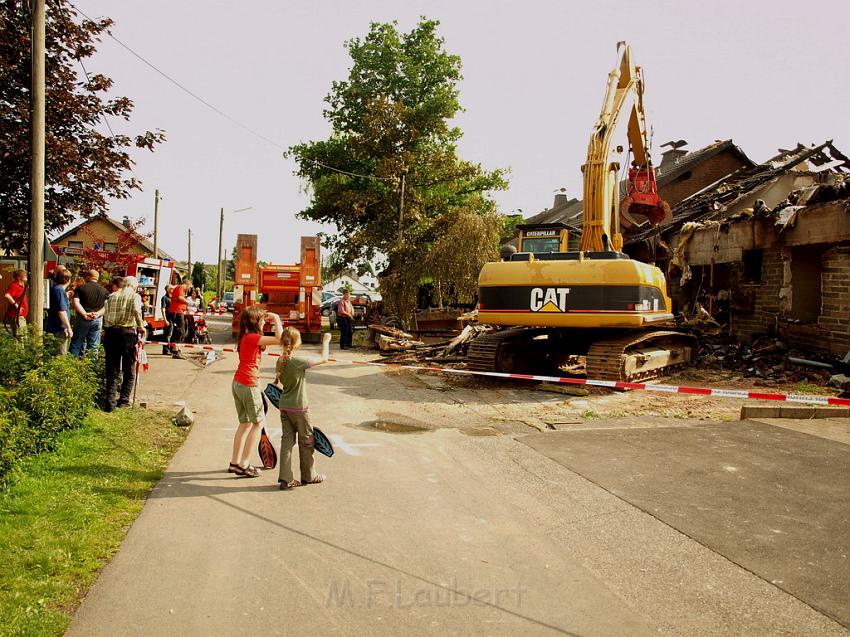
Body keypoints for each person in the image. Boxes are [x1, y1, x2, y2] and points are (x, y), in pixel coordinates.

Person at [228, 306, 283, 478]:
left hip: (239, 382)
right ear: (254, 322)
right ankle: (244, 464)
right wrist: (277, 320)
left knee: (245, 424)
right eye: (261, 320)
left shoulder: (245, 337)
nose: (263, 323)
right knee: (258, 424)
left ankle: (235, 463)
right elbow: (280, 339)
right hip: (248, 383)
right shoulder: (252, 337)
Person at [274, 327, 332, 490]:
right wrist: (326, 341)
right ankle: (309, 475)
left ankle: (285, 479)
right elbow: (324, 359)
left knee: (287, 442)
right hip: (300, 408)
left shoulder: (280, 360)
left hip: (284, 406)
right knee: (307, 441)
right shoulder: (297, 361)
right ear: (296, 342)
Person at [102, 276, 145, 411]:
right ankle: (124, 400)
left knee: (112, 369)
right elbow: (137, 311)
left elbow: (106, 314)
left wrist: (106, 328)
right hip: (127, 333)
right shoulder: (134, 296)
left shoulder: (112, 295)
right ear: (134, 286)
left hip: (110, 332)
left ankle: (110, 403)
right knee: (129, 369)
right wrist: (141, 326)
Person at [69, 269, 108, 357]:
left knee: (77, 343)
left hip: (82, 319)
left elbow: (76, 302)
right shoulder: (104, 291)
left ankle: (71, 365)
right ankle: (92, 367)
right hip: (97, 319)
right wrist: (97, 314)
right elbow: (106, 307)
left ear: (88, 277)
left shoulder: (80, 288)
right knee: (93, 346)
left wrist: (84, 314)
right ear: (97, 278)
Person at [45, 270, 73, 354]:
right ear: (69, 280)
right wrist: (68, 328)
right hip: (58, 328)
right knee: (60, 355)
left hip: (53, 326)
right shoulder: (59, 290)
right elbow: (61, 311)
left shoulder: (56, 289)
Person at [168, 277, 189, 359]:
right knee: (180, 331)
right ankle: (176, 350)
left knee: (178, 331)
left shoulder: (180, 289)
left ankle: (176, 349)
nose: (188, 289)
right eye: (189, 287)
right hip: (177, 312)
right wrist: (188, 302)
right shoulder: (180, 287)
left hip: (178, 311)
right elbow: (180, 298)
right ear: (187, 285)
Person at [3, 269, 28, 335]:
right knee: (19, 338)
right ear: (19, 277)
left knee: (22, 337)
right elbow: (7, 295)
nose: (26, 276)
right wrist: (17, 306)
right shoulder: (14, 285)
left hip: (21, 316)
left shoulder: (22, 286)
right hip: (16, 316)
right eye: (24, 275)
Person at [160, 284, 174, 355]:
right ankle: (166, 350)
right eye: (171, 288)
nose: (173, 289)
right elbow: (163, 309)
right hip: (168, 319)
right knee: (167, 335)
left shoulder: (173, 298)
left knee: (172, 335)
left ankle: (172, 348)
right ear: (168, 290)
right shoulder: (164, 298)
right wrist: (165, 320)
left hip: (173, 318)